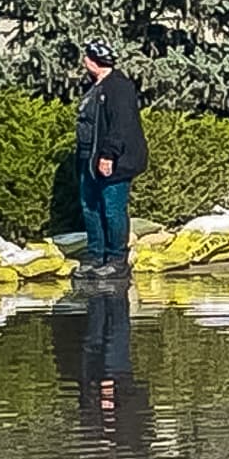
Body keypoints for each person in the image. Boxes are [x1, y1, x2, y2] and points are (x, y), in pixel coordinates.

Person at [76, 39, 147, 279]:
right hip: (88, 157)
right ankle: (96, 255)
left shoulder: (118, 87)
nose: (84, 61)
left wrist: (109, 154)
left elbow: (121, 125)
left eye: (86, 57)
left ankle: (117, 259)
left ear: (94, 61)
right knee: (90, 207)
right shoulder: (96, 87)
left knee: (112, 208)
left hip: (113, 160)